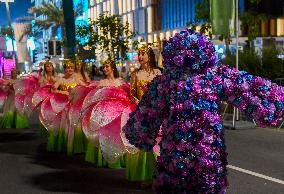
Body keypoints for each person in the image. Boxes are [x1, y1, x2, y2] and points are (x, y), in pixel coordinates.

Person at [123, 29, 284, 194]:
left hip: (176, 157)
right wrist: (274, 104)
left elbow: (144, 117)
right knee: (206, 185)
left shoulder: (164, 82)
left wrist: (139, 135)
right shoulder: (215, 76)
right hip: (206, 156)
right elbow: (251, 89)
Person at [81, 59, 133, 168]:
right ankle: (104, 159)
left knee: (117, 135)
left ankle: (119, 159)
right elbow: (96, 97)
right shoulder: (102, 82)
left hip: (118, 114)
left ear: (112, 68)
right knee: (105, 135)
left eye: (107, 66)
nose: (105, 69)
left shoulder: (121, 81)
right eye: (104, 67)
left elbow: (127, 96)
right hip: (104, 113)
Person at [126, 45, 161, 185]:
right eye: (139, 54)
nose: (140, 57)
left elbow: (162, 90)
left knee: (157, 144)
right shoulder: (135, 74)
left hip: (156, 111)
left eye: (143, 54)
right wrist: (141, 103)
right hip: (141, 112)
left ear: (150, 56)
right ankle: (144, 176)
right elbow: (132, 93)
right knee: (143, 143)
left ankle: (158, 176)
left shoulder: (158, 72)